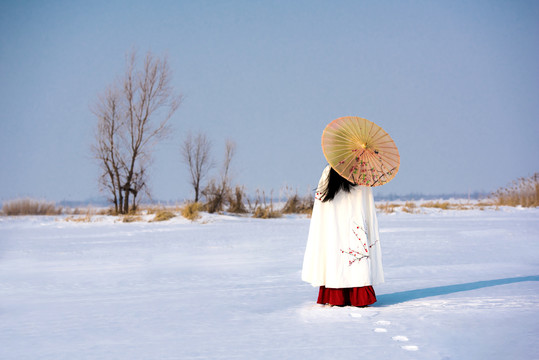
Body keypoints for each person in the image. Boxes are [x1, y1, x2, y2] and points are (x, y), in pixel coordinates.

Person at [302, 165, 384, 307]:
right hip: (355, 222)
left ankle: (336, 295)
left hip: (333, 224)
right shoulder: (361, 172)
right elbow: (366, 204)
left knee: (336, 256)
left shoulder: (329, 170)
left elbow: (321, 203)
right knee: (355, 255)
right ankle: (359, 296)